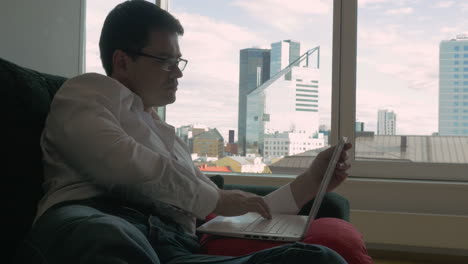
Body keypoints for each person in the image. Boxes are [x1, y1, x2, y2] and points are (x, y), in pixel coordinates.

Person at [22, 1, 370, 264]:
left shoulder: (163, 135)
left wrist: (312, 180)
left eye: (179, 62)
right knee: (103, 235)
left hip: (174, 245)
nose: (178, 73)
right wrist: (215, 200)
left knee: (315, 258)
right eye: (165, 61)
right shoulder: (87, 93)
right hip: (105, 220)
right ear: (122, 61)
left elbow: (238, 209)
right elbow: (119, 162)